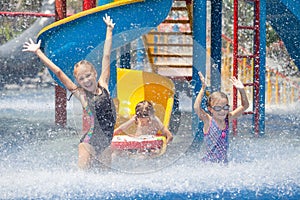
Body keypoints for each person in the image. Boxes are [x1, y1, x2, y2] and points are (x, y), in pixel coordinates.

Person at [23, 14, 116, 170]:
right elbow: (59, 72)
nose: (86, 80)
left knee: (104, 179)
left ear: (94, 73)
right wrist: (38, 52)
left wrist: (109, 30)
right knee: (82, 178)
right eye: (81, 79)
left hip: (106, 143)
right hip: (89, 144)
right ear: (78, 82)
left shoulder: (104, 85)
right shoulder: (82, 95)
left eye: (88, 76)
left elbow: (106, 56)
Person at [194, 72, 249, 163]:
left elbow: (245, 105)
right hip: (208, 165)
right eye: (218, 108)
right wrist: (203, 89)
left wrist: (241, 90)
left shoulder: (228, 118)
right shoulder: (208, 120)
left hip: (223, 164)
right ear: (210, 109)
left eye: (225, 107)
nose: (222, 111)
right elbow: (196, 107)